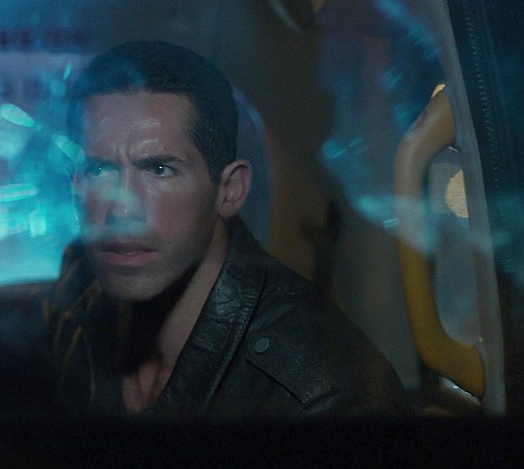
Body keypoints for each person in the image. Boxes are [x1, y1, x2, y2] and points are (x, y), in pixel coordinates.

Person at [46, 40, 409, 418]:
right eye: (99, 169)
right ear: (75, 185)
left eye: (159, 170)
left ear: (230, 190)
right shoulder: (78, 287)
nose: (121, 207)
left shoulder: (326, 396)